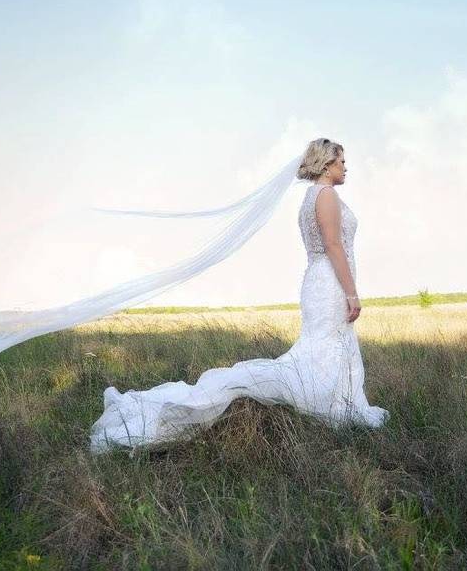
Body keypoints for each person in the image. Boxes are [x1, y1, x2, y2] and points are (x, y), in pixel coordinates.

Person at [89, 138, 390, 453]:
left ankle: (336, 402)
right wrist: (352, 294)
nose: (346, 168)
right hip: (329, 282)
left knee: (324, 348)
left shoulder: (310, 198)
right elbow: (333, 245)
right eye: (342, 161)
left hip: (319, 281)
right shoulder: (326, 195)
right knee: (324, 349)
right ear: (327, 164)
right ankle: (333, 406)